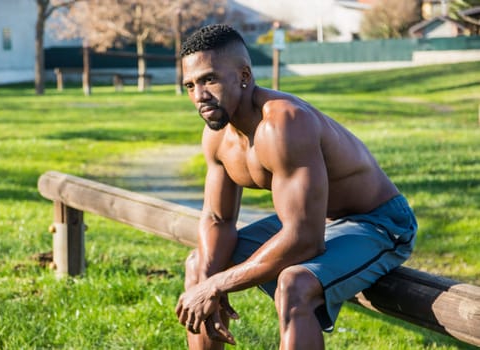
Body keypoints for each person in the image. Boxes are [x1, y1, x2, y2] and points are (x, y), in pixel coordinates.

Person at [175, 24, 417, 350]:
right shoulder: (217, 135)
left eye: (209, 80)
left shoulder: (285, 123)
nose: (199, 95)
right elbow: (218, 220)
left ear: (244, 75)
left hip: (376, 222)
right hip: (315, 218)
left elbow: (304, 241)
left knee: (294, 285)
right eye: (190, 85)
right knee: (198, 266)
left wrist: (218, 284)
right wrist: (206, 282)